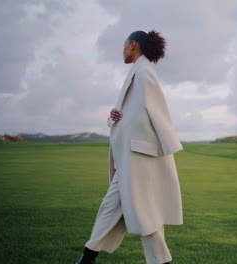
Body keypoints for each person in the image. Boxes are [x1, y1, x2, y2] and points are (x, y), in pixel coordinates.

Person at [75, 30, 184, 264]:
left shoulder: (145, 73)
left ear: (133, 45)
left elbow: (158, 112)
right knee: (110, 207)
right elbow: (133, 117)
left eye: (124, 45)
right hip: (128, 158)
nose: (122, 50)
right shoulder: (136, 73)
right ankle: (87, 257)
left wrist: (169, 148)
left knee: (144, 212)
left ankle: (159, 262)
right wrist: (114, 118)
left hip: (139, 157)